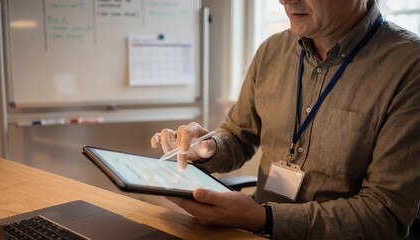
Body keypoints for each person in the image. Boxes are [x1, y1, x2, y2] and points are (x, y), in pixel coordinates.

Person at [150, 0, 420, 239]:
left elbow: (385, 214)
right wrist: (209, 148)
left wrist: (263, 218)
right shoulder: (272, 51)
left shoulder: (409, 65)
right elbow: (237, 134)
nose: (284, 0)